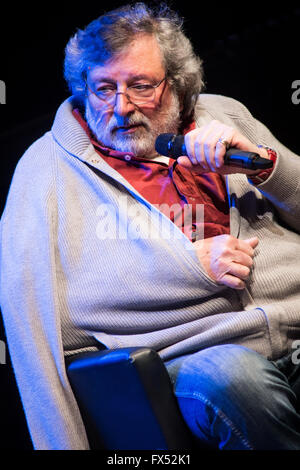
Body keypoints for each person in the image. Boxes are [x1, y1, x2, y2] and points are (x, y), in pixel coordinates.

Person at [1, 2, 300, 450]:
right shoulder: (45, 172)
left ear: (175, 83)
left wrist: (263, 166)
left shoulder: (224, 116)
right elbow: (52, 318)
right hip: (188, 359)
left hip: (292, 320)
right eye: (103, 88)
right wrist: (188, 266)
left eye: (140, 86)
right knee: (234, 377)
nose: (120, 108)